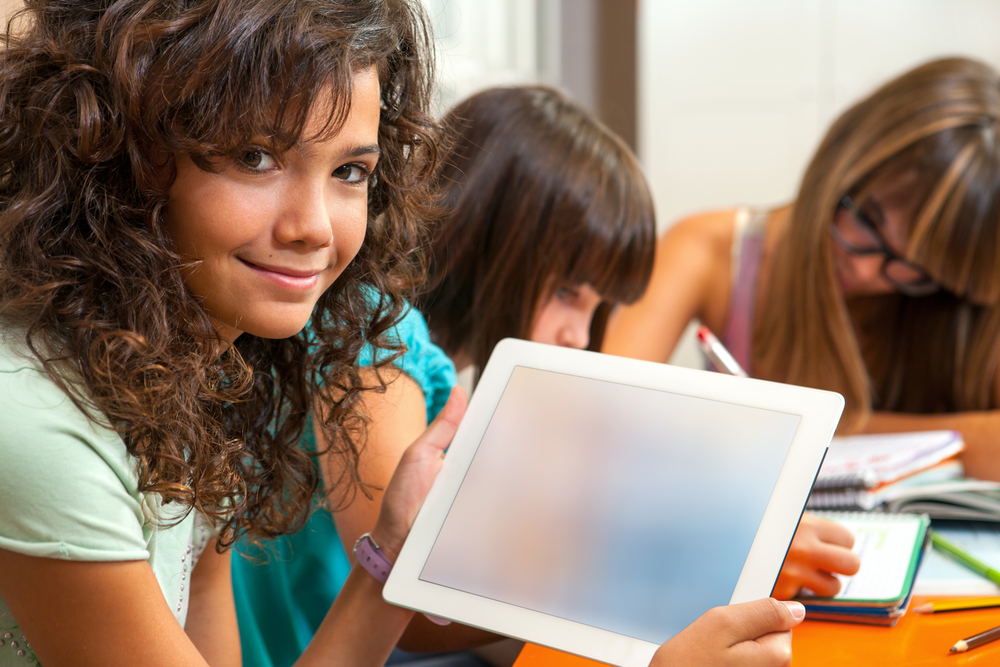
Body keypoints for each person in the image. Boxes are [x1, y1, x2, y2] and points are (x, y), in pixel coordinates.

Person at [231, 85, 817, 667]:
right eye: (567, 293)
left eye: (596, 307)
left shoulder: (421, 354)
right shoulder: (377, 340)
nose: (578, 335)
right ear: (491, 246)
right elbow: (414, 598)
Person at [604, 57, 1000, 483]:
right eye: (868, 219)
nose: (867, 271)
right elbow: (601, 417)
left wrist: (798, 425)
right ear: (846, 154)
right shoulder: (710, 251)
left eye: (915, 267)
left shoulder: (961, 298)